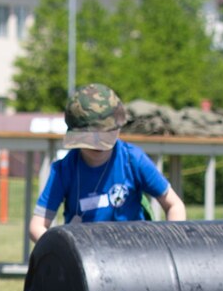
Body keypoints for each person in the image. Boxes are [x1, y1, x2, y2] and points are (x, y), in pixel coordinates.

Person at [27, 83, 189, 243]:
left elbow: (174, 205)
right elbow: (37, 226)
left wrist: (171, 243)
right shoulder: (64, 170)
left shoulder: (133, 160)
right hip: (85, 256)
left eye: (104, 135)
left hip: (135, 252)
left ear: (117, 129)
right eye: (89, 137)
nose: (97, 144)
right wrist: (64, 250)